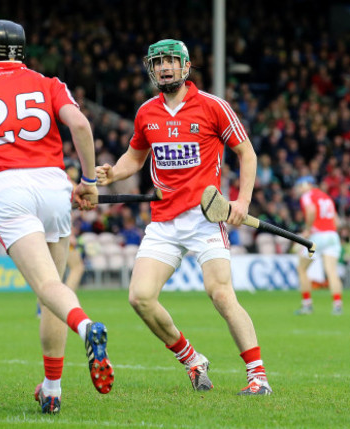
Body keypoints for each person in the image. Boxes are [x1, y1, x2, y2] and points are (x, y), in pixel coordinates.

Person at [0, 20, 113, 415]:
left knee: (48, 287)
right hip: (53, 183)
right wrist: (87, 181)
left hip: (8, 188)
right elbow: (81, 124)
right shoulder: (49, 82)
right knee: (53, 290)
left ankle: (87, 327)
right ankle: (52, 389)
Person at [96, 39, 272, 396]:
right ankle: (192, 360)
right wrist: (113, 173)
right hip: (164, 220)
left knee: (221, 294)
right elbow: (135, 156)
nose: (163, 67)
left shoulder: (212, 106)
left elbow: (247, 153)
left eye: (170, 61)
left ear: (185, 67)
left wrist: (243, 201)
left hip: (205, 216)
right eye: (158, 62)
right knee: (140, 297)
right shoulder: (146, 111)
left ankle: (258, 377)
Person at [294, 176, 344, 315]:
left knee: (302, 269)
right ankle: (337, 305)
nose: (298, 189)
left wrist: (308, 230)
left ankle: (307, 304)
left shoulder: (308, 196)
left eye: (299, 186)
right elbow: (337, 221)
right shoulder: (326, 197)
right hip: (332, 235)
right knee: (332, 272)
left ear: (306, 185)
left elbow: (310, 211)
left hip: (317, 236)